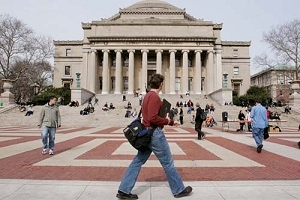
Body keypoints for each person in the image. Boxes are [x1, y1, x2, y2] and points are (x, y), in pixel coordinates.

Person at [117, 73, 192, 199]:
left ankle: (124, 189)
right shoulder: (154, 97)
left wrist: (166, 118)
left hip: (147, 133)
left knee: (138, 161)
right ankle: (178, 189)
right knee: (168, 162)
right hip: (154, 134)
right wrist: (169, 121)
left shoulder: (147, 96)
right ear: (161, 85)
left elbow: (150, 115)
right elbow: (153, 118)